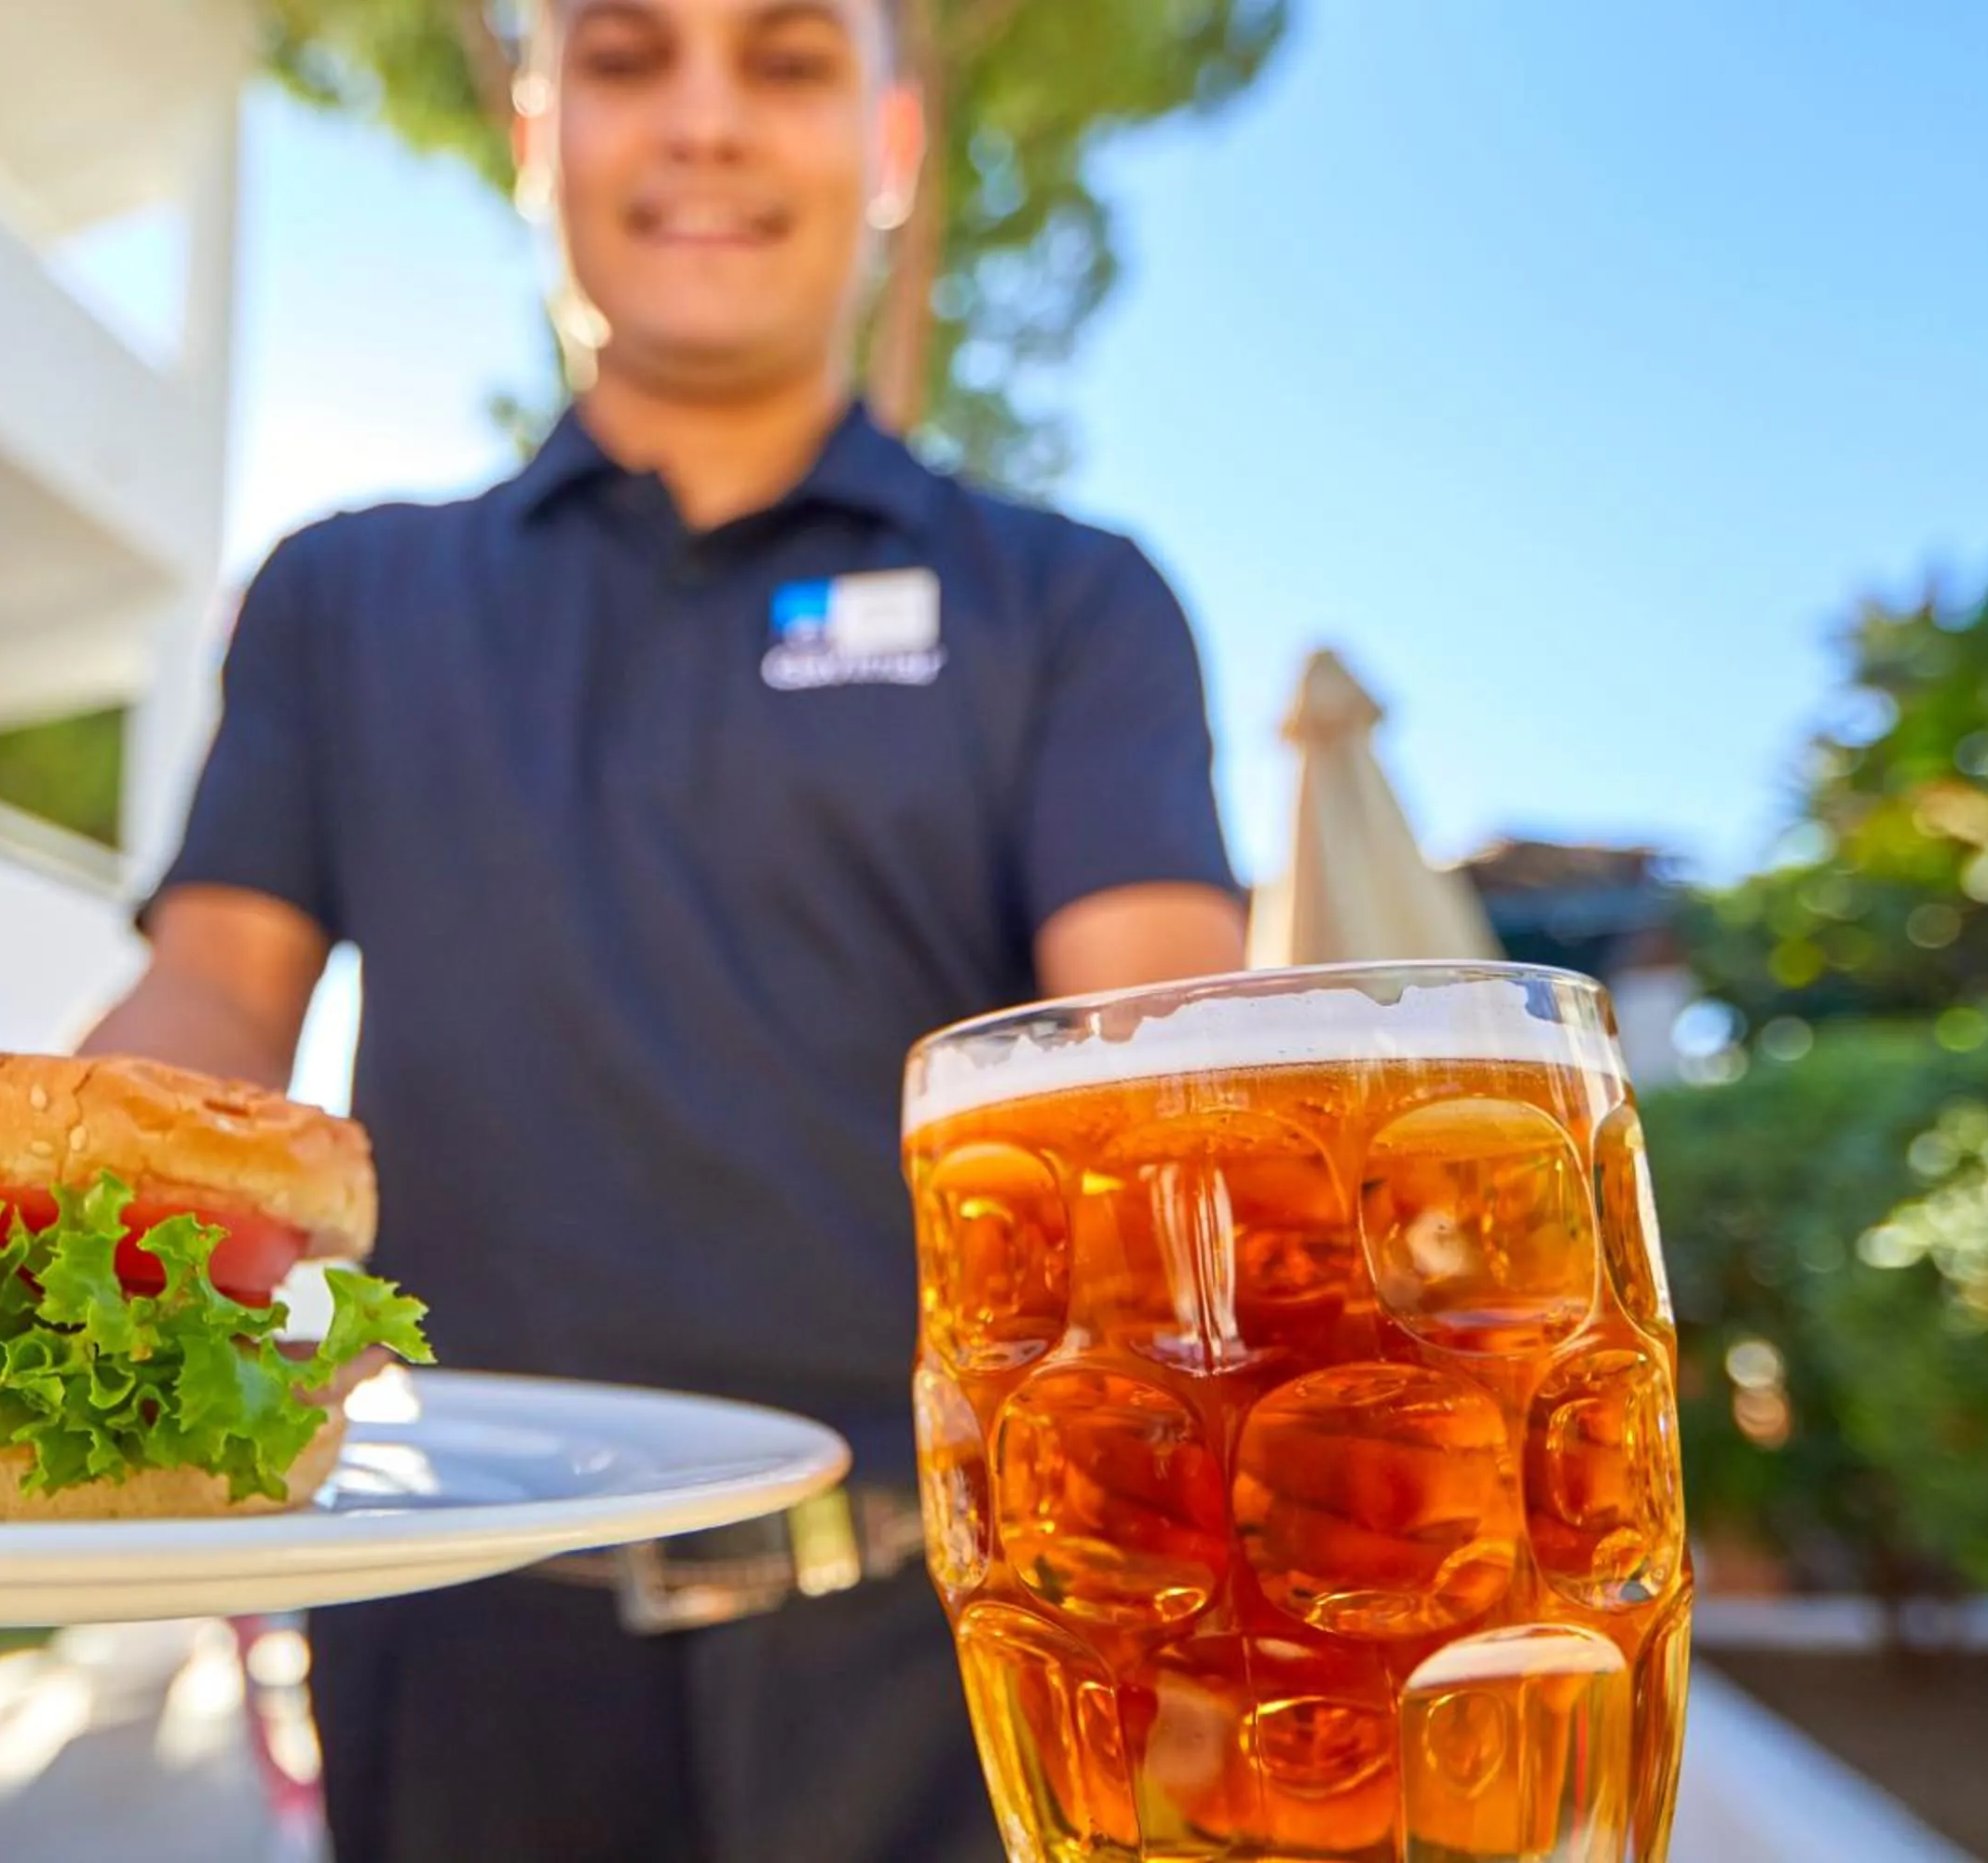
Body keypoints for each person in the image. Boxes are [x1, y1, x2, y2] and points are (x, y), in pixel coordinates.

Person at [82, 0, 1248, 1856]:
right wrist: (14, 1239)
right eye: (628, 59)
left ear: (889, 149)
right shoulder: (346, 594)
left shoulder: (1072, 602)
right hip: (451, 1634)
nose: (702, 120)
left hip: (955, 1654)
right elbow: (218, 989)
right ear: (535, 138)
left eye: (785, 62)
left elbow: (1168, 1076)